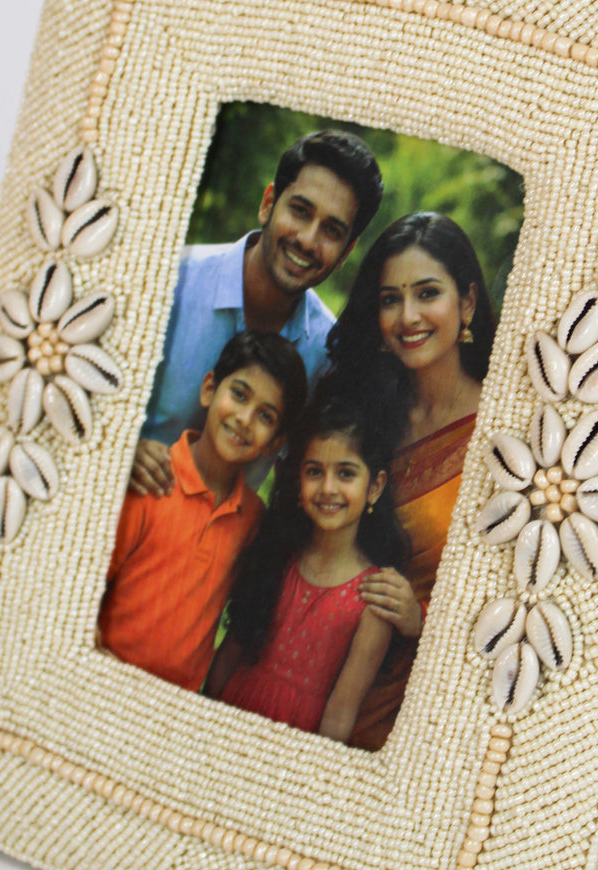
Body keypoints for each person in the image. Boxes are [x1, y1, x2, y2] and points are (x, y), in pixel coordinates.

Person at [320, 212, 497, 751]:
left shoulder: (501, 433)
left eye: (427, 293)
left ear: (466, 302)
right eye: (390, 299)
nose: (408, 316)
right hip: (322, 674)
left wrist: (421, 622)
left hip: (427, 714)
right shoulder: (368, 419)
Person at [131, 129, 384, 496]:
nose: (307, 240)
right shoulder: (171, 281)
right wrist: (123, 445)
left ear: (347, 251)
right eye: (300, 211)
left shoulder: (326, 355)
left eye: (331, 230)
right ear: (268, 204)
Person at [97, 331, 309, 693]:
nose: (244, 419)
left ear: (274, 443)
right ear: (209, 389)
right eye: (239, 394)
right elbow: (87, 594)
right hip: (105, 680)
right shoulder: (151, 480)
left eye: (265, 415)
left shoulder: (252, 519)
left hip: (176, 702)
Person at [205, 397, 410, 742]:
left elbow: (340, 715)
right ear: (298, 482)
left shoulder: (373, 598)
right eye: (314, 472)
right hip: (226, 721)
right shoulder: (276, 557)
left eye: (345, 473)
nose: (328, 488)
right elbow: (227, 658)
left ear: (374, 487)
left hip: (296, 746)